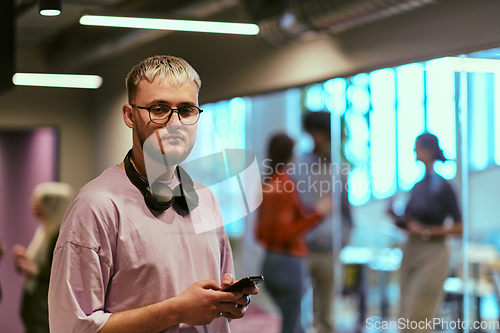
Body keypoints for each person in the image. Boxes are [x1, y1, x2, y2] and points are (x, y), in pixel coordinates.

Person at [48, 55, 258, 333]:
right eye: (159, 109)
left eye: (186, 110)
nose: (175, 123)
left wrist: (226, 300)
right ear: (129, 115)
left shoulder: (206, 199)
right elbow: (72, 327)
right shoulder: (96, 205)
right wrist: (177, 310)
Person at [388, 132, 462, 333]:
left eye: (417, 147)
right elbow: (412, 223)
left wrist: (427, 231)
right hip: (412, 251)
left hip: (432, 255)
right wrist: (397, 217)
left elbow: (459, 227)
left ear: (427, 150)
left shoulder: (443, 186)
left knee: (418, 318)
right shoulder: (417, 185)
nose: (414, 151)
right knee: (404, 316)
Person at [257, 132, 330, 333]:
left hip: (269, 261)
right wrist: (318, 214)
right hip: (287, 262)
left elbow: (261, 232)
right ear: (290, 155)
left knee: (291, 321)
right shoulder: (285, 184)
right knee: (293, 325)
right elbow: (286, 232)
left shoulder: (267, 184)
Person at [296, 111, 353, 333]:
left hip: (330, 248)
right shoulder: (298, 165)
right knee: (301, 310)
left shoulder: (338, 168)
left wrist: (342, 240)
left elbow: (347, 213)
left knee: (328, 314)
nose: (317, 137)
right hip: (304, 247)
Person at [12, 181, 73, 333]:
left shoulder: (60, 234)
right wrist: (25, 260)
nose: (33, 206)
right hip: (34, 304)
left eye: (37, 202)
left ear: (51, 204)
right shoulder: (43, 231)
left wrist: (33, 269)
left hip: (44, 307)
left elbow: (58, 271)